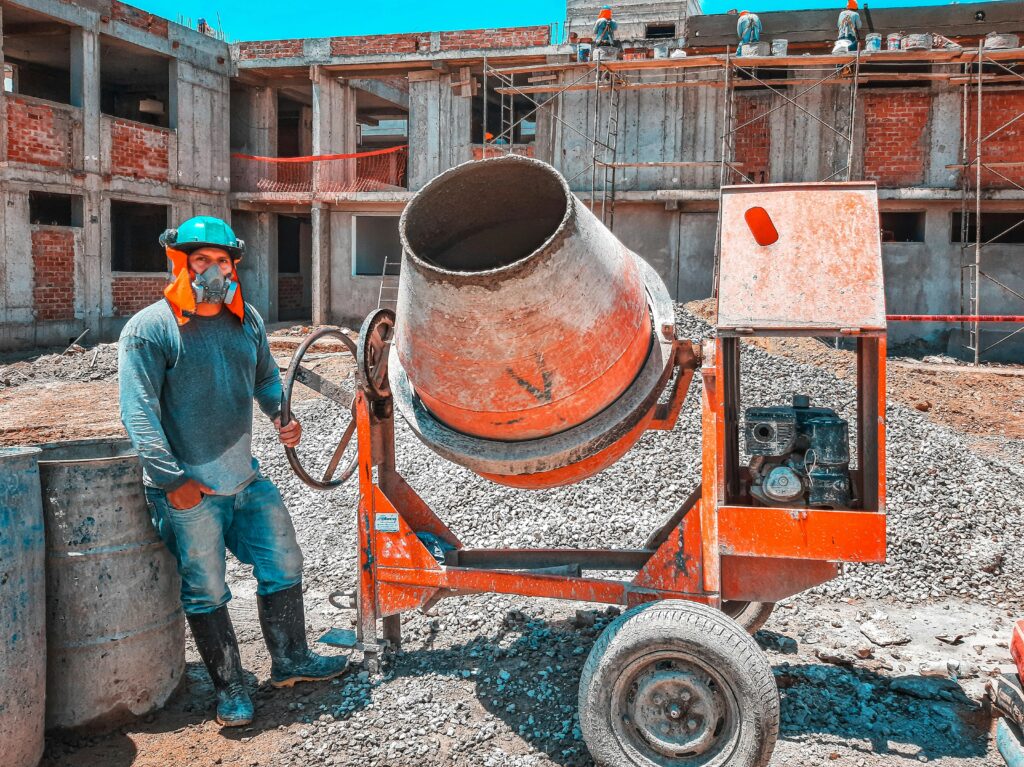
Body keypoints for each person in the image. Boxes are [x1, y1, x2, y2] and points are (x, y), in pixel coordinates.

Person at [118, 216, 348, 729]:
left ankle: (291, 662)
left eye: (223, 261)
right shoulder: (151, 330)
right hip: (189, 491)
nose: (214, 270)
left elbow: (265, 377)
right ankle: (231, 687)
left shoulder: (247, 321)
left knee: (284, 560)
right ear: (180, 263)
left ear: (234, 266)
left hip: (245, 480)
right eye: (202, 260)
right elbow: (138, 413)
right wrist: (173, 482)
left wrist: (281, 415)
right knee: (206, 590)